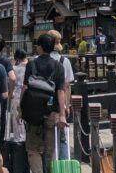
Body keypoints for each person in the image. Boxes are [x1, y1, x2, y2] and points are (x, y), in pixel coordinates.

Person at [22, 34, 67, 173]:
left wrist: (19, 108)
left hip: (32, 112)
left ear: (40, 47)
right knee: (50, 150)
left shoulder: (31, 64)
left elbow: (25, 88)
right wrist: (62, 115)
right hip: (51, 111)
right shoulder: (59, 66)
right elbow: (61, 91)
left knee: (33, 149)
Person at [47, 29, 75, 160]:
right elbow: (67, 86)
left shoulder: (39, 60)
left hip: (43, 103)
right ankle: (63, 165)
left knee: (45, 138)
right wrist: (67, 105)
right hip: (59, 104)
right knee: (62, 138)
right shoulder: (65, 61)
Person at [0, 34, 17, 143]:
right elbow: (12, 78)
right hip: (0, 98)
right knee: (0, 126)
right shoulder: (4, 61)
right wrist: (10, 93)